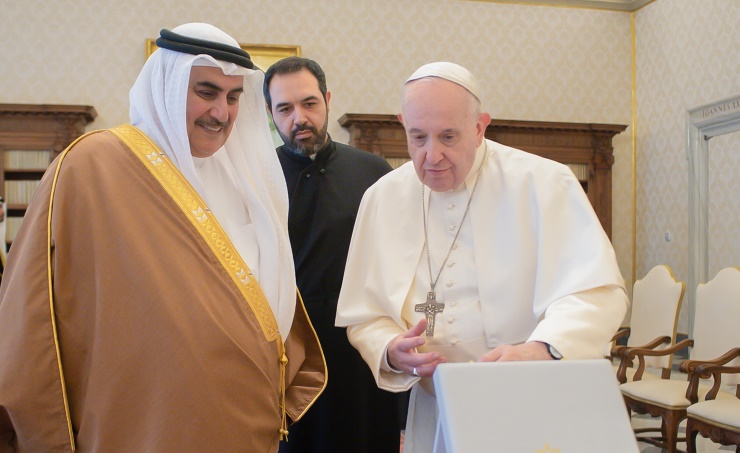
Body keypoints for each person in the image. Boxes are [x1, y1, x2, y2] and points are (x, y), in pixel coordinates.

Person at [0, 23, 325, 452]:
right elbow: (33, 308)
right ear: (168, 87)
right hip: (139, 425)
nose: (222, 113)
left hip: (247, 421)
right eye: (206, 92)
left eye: (233, 97)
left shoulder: (242, 177)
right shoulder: (93, 167)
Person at [335, 62, 629, 452]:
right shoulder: (383, 197)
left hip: (530, 397)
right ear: (402, 124)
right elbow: (364, 314)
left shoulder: (543, 183)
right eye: (417, 137)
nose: (431, 155)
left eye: (448, 136)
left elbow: (596, 293)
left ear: (479, 126)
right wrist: (390, 348)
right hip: (435, 404)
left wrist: (542, 349)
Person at [264, 56, 406, 453]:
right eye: (285, 108)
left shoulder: (374, 172)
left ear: (327, 100)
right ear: (270, 114)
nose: (299, 118)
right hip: (292, 352)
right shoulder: (257, 178)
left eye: (309, 103)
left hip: (360, 350)